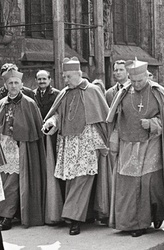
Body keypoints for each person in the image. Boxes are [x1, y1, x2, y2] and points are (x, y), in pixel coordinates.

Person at [107, 58, 164, 237]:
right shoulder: (124, 92)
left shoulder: (158, 92)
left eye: (140, 81)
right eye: (133, 81)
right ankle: (131, 223)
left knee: (149, 183)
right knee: (129, 185)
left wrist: (153, 123)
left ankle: (151, 217)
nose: (136, 84)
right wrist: (114, 139)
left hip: (151, 144)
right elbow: (115, 118)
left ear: (147, 77)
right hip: (127, 144)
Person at [42, 57, 110, 235]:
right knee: (72, 180)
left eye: (68, 77)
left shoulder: (93, 91)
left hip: (88, 142)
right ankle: (83, 215)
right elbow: (58, 115)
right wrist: (51, 122)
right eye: (64, 77)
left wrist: (104, 142)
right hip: (68, 143)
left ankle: (73, 218)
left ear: (79, 74)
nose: (65, 80)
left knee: (82, 180)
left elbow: (103, 118)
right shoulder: (64, 93)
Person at [0, 69, 46, 230]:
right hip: (5, 148)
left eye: (16, 83)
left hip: (23, 148)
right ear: (5, 85)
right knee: (5, 182)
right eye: (10, 83)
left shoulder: (29, 103)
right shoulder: (1, 103)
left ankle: (7, 216)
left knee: (16, 182)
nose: (13, 86)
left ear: (21, 84)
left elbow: (35, 128)